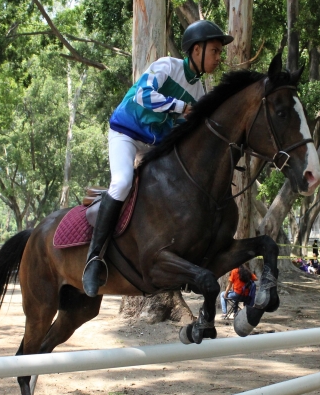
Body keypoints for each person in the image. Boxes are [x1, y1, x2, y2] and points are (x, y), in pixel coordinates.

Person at [82, 20, 233, 297]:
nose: (218, 58)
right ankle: (93, 260)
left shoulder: (200, 92)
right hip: (126, 134)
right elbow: (142, 94)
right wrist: (181, 107)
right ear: (196, 50)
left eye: (219, 53)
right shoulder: (168, 66)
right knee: (122, 182)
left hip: (154, 147)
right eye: (215, 51)